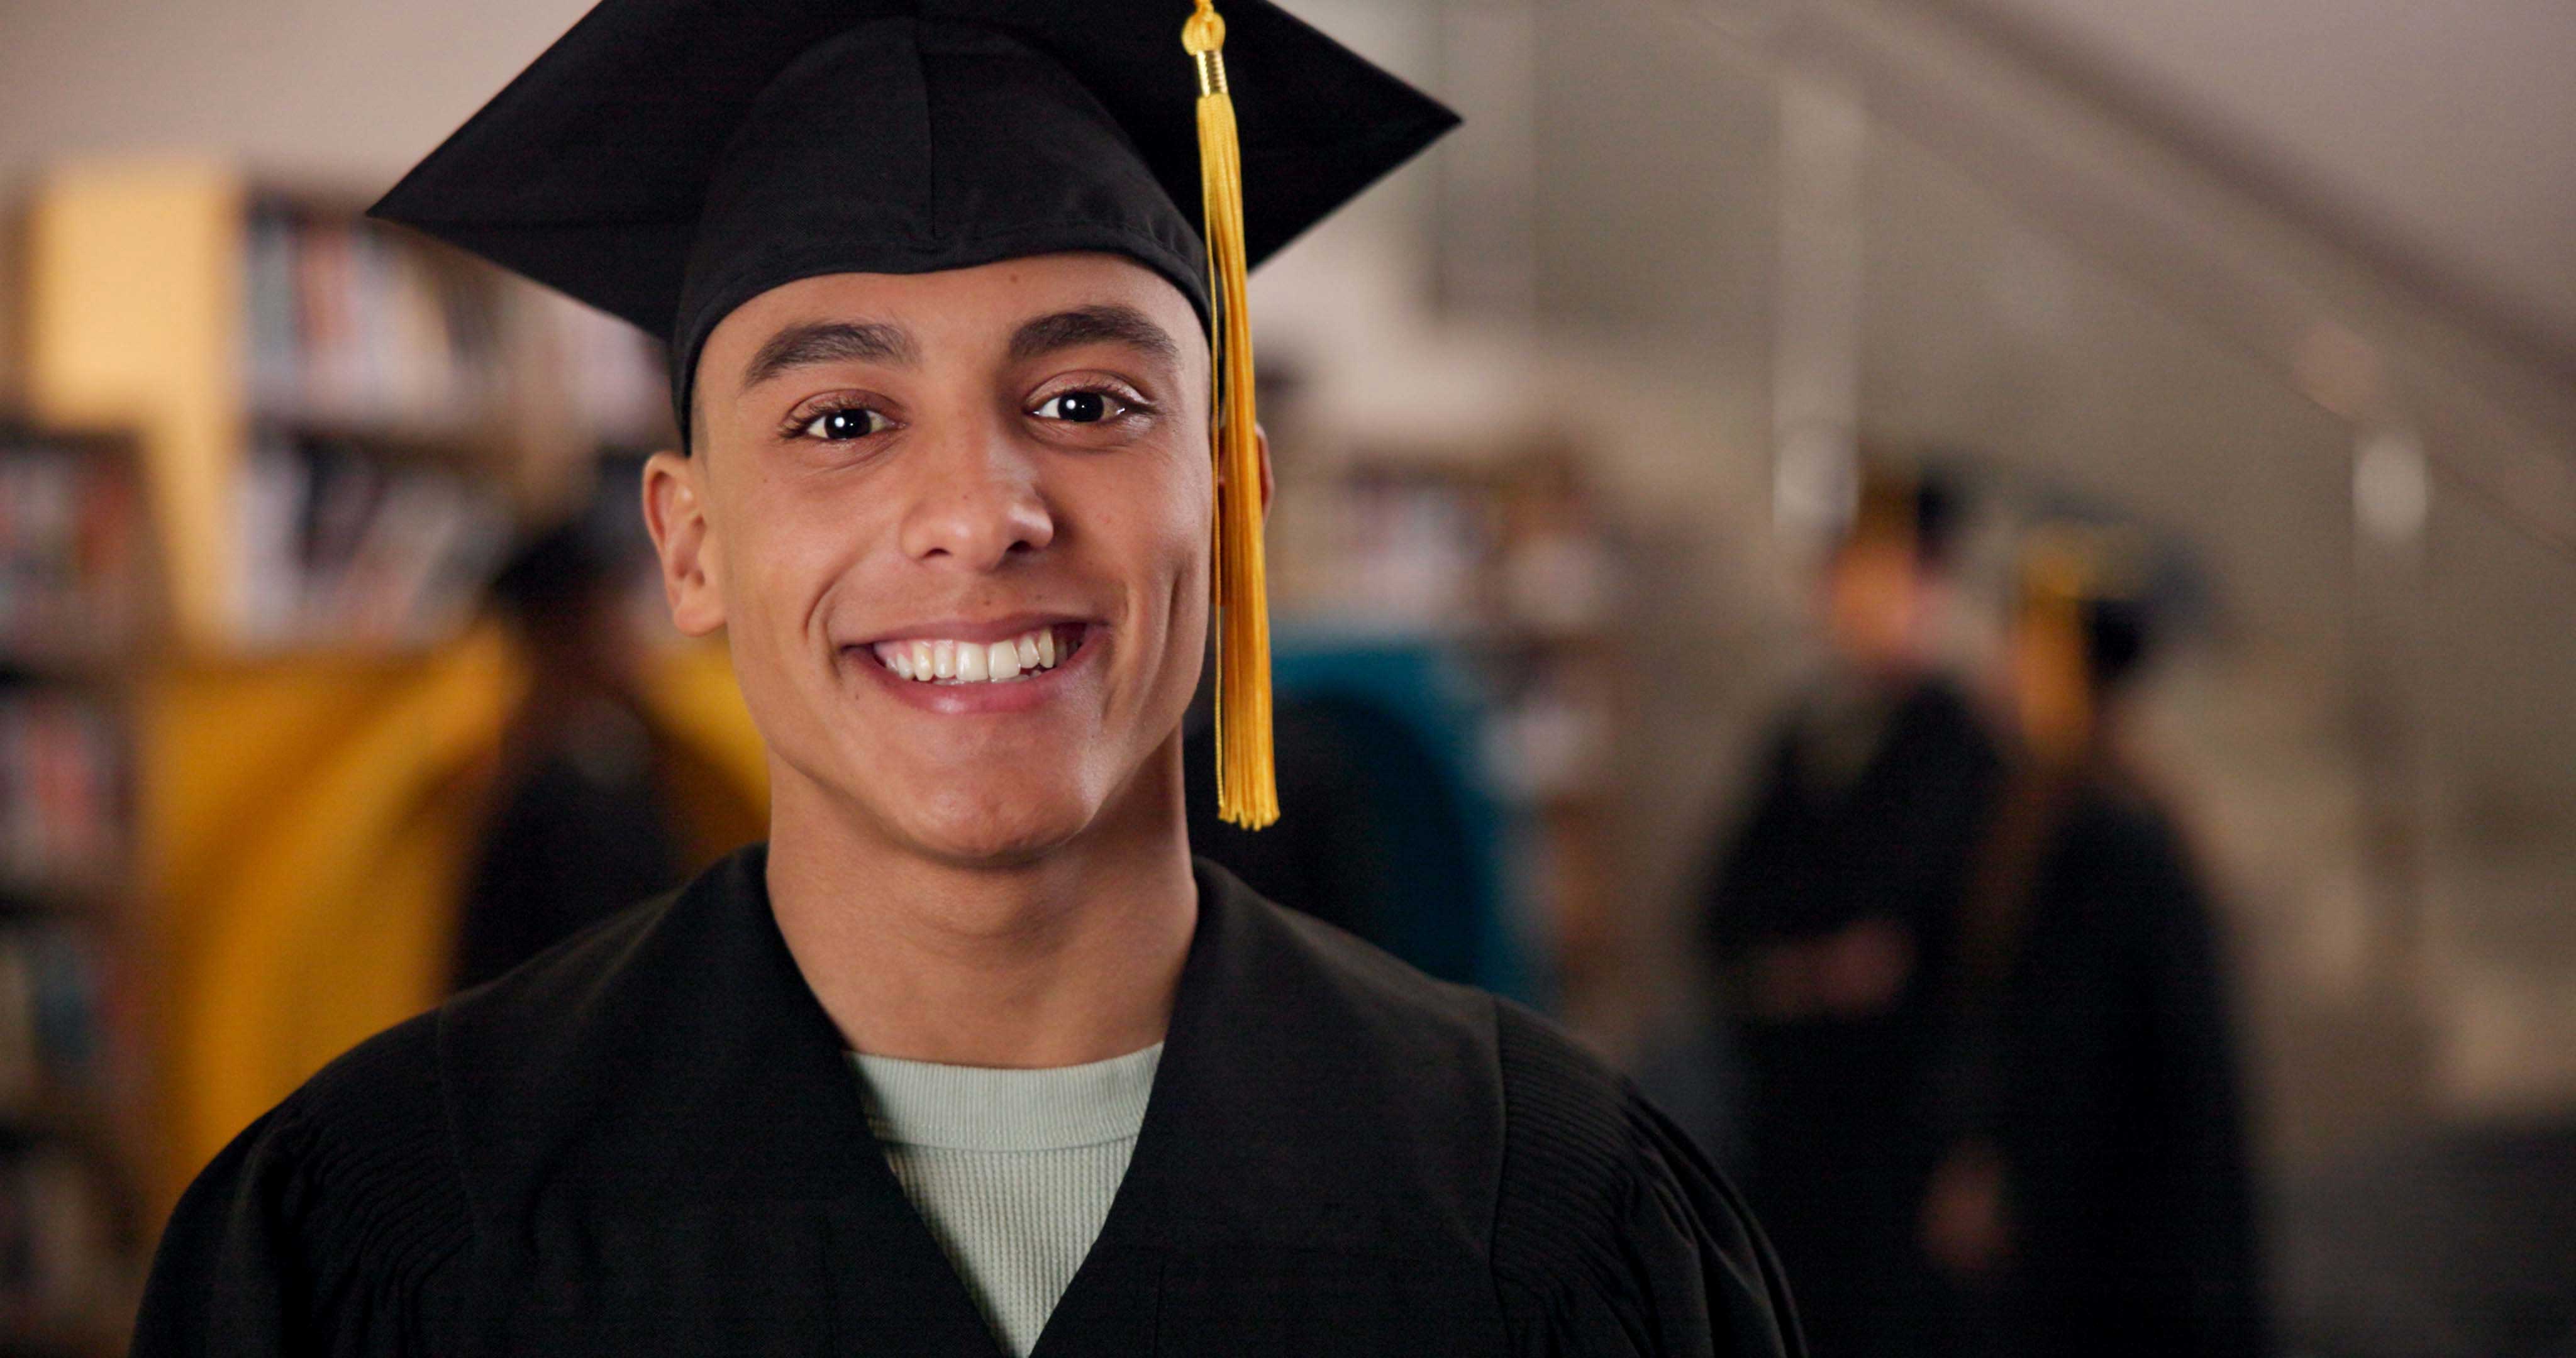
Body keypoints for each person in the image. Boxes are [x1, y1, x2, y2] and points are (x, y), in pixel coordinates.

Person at [130, 3, 1802, 1355]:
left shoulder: (1555, 1216)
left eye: (1087, 403)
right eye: (841, 422)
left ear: (1237, 503)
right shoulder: (388, 1233)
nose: (980, 515)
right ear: (690, 542)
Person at [1919, 527, 2265, 1358]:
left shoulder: (2107, 837)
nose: (2004, 670)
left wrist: (2010, 1178)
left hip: (2121, 1251)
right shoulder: (2053, 814)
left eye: (2026, 650)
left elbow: (2077, 1054)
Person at [1693, 464, 2006, 1358]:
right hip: (1794, 1127)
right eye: (1847, 574)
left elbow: (1915, 930)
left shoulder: (1961, 747)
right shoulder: (1806, 735)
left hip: (1900, 1130)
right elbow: (1721, 914)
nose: (1857, 600)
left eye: (1886, 577)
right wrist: (1806, 971)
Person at [453, 512, 684, 990]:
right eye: (620, 609)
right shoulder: (578, 790)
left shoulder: (530, 765)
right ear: (570, 630)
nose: (641, 636)